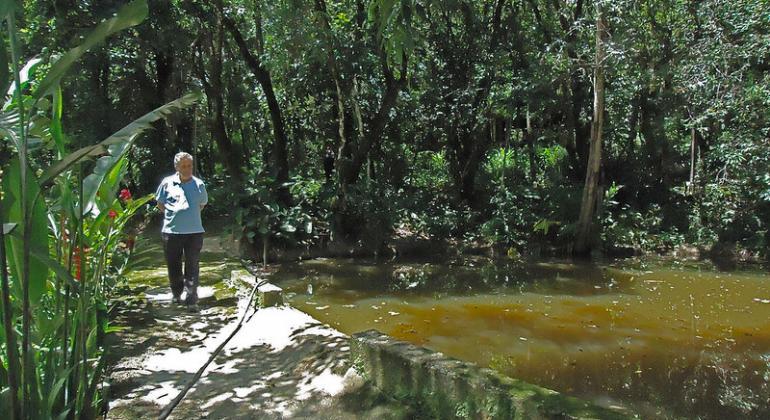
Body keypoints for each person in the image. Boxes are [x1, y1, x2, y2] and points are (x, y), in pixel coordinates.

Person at [155, 152, 208, 312]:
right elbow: (160, 204)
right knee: (174, 265)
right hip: (171, 232)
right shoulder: (167, 183)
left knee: (192, 265)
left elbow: (202, 205)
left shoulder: (199, 185)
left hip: (194, 232)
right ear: (177, 167)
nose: (187, 169)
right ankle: (177, 294)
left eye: (189, 166)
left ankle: (192, 300)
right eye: (183, 166)